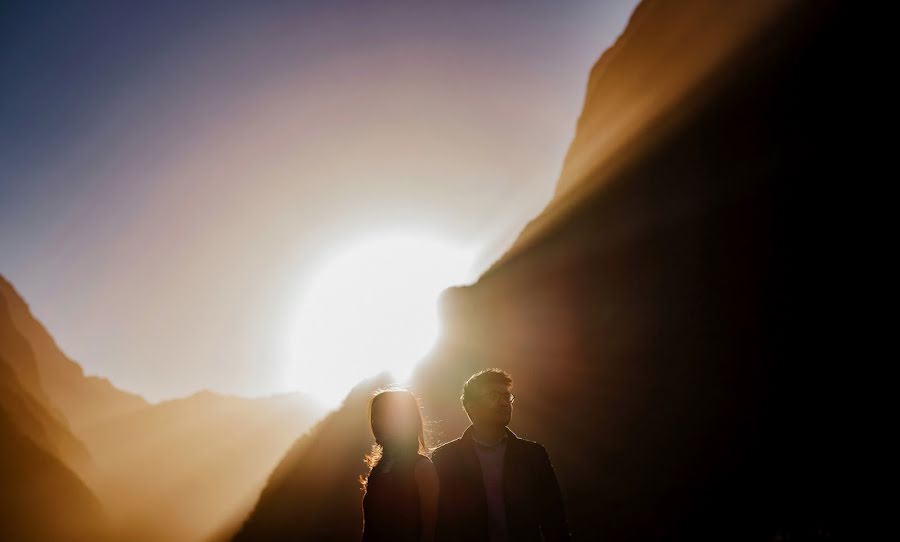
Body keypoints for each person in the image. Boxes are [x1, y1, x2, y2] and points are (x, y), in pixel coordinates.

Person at [432, 369, 570, 541]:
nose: (504, 403)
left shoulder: (533, 455)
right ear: (471, 406)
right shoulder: (446, 458)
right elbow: (442, 523)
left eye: (507, 397)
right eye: (493, 396)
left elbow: (554, 517)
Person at [361, 388, 439, 542]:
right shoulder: (378, 470)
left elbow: (429, 530)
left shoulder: (422, 468)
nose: (376, 421)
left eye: (384, 414)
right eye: (374, 415)